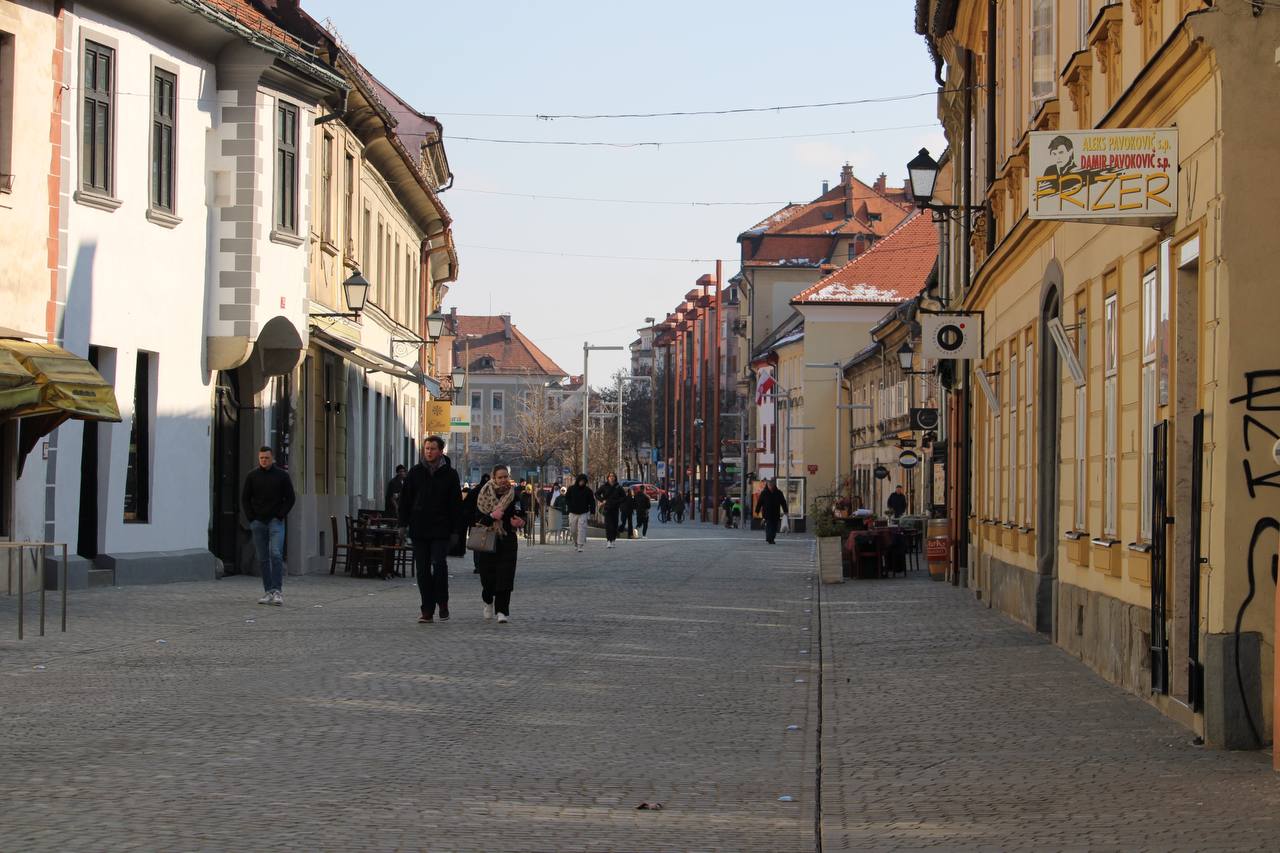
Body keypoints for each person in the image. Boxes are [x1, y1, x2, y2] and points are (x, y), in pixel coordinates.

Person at [398, 435, 462, 624]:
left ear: (440, 451)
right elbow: (405, 500)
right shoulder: (415, 473)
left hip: (441, 528)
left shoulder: (450, 474)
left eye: (433, 448)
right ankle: (427, 609)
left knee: (439, 565)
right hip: (419, 528)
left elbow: (456, 505)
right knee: (422, 570)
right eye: (426, 448)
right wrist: (402, 524)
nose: (429, 452)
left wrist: (456, 531)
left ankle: (442, 602)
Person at [471, 464, 526, 624]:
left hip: (507, 539)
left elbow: (521, 513)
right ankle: (488, 601)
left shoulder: (513, 495)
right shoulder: (483, 494)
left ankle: (502, 611)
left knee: (506, 576)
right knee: (487, 577)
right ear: (494, 477)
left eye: (505, 477)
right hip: (487, 539)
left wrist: (521, 521)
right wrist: (491, 516)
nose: (503, 480)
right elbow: (476, 519)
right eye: (500, 477)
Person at [242, 445, 295, 605]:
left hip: (275, 522)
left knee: (276, 554)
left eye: (266, 458)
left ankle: (278, 591)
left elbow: (290, 498)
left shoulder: (282, 476)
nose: (264, 461)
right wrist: (251, 518)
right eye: (261, 458)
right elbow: (245, 498)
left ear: (272, 458)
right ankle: (268, 591)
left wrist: (280, 515)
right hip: (258, 522)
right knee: (263, 558)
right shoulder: (252, 476)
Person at [564, 474, 596, 552]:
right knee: (573, 529)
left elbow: (592, 502)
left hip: (583, 512)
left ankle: (580, 545)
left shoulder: (588, 491)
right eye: (581, 481)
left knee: (581, 529)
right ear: (578, 481)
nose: (582, 482)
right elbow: (566, 498)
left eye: (584, 481)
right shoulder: (571, 489)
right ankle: (575, 542)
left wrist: (592, 512)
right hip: (573, 512)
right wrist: (569, 505)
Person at [596, 474, 626, 548]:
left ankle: (613, 540)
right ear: (608, 478)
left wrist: (618, 501)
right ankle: (608, 540)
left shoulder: (618, 487)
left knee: (615, 525)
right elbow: (596, 494)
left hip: (615, 508)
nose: (611, 478)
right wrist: (602, 500)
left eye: (613, 476)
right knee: (608, 525)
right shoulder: (604, 486)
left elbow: (624, 497)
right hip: (607, 508)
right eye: (610, 476)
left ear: (615, 478)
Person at [754, 478, 788, 545]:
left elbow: (783, 502)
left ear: (774, 485)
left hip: (775, 513)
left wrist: (785, 511)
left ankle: (771, 538)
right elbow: (759, 503)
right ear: (768, 485)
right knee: (769, 526)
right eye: (769, 485)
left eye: (772, 485)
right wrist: (757, 511)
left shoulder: (779, 493)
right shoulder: (764, 493)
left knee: (774, 527)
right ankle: (769, 539)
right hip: (767, 514)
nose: (771, 486)